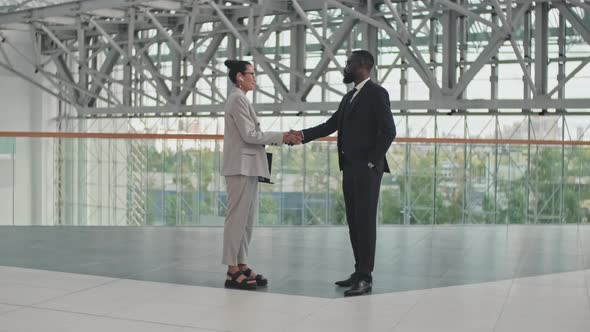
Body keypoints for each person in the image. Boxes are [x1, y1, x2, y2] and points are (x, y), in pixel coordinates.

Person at [288, 50, 396, 296]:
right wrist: (301, 135)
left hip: (367, 170)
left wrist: (371, 162)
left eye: (348, 64)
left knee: (366, 223)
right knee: (354, 221)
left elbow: (389, 131)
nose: (345, 68)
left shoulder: (377, 94)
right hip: (350, 167)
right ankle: (358, 272)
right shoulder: (349, 98)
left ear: (361, 66)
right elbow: (331, 125)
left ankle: (366, 277)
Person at [221, 59, 301, 290]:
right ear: (239, 77)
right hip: (240, 167)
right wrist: (281, 136)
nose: (254, 78)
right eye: (252, 74)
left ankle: (241, 263)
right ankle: (232, 270)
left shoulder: (241, 99)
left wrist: (281, 137)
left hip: (249, 167)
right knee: (236, 219)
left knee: (247, 220)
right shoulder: (237, 99)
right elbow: (249, 135)